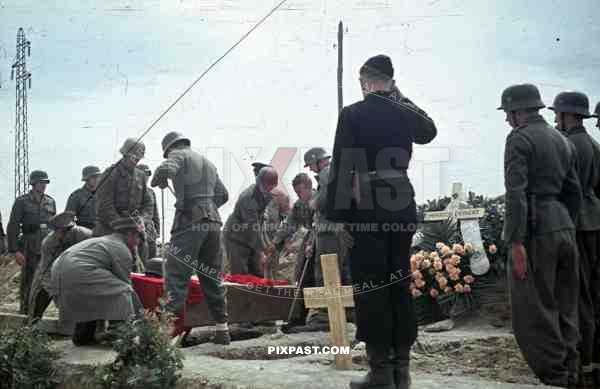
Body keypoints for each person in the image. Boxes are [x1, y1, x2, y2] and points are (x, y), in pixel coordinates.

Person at [325, 54, 437, 389]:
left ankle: (380, 373)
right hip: (401, 201)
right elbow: (428, 131)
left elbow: (343, 164)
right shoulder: (403, 109)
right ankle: (401, 373)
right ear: (391, 80)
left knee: (371, 287)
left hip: (368, 207)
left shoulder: (353, 113)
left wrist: (339, 218)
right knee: (398, 283)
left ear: (363, 81)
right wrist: (399, 96)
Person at [499, 84, 581, 388]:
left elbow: (516, 194)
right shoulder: (562, 139)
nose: (507, 121)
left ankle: (556, 378)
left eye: (508, 114)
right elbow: (573, 192)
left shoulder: (518, 139)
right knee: (566, 306)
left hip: (535, 232)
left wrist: (516, 242)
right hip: (563, 227)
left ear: (518, 112)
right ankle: (571, 373)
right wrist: (563, 225)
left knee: (534, 311)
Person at [151, 131, 230, 344]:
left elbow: (166, 168)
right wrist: (207, 207)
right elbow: (223, 195)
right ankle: (222, 330)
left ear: (169, 148)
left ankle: (164, 336)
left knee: (177, 276)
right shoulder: (208, 163)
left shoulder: (178, 155)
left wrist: (157, 178)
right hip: (213, 223)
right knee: (212, 277)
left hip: (189, 223)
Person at [549, 91, 600, 388]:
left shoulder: (568, 145)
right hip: (595, 221)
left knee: (577, 297)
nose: (555, 119)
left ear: (568, 115)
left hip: (576, 224)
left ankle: (582, 365)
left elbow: (566, 188)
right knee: (593, 296)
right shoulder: (593, 144)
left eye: (558, 114)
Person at [49, 216, 144, 346]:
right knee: (122, 292)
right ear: (130, 234)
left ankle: (83, 336)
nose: (138, 242)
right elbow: (127, 286)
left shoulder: (105, 241)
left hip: (59, 272)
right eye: (139, 237)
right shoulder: (120, 248)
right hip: (77, 271)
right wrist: (144, 318)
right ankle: (119, 334)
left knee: (94, 296)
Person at [301, 146, 354, 331]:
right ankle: (347, 313)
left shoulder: (326, 173)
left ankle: (324, 316)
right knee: (341, 271)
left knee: (325, 270)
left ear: (317, 160)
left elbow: (325, 200)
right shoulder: (335, 171)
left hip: (329, 231)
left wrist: (314, 202)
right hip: (338, 229)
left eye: (310, 165)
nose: (310, 169)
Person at [93, 138, 154, 266]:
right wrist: (123, 226)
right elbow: (104, 205)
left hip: (134, 230)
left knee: (141, 263)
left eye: (138, 158)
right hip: (109, 230)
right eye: (134, 157)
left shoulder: (140, 176)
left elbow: (148, 203)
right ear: (125, 154)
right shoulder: (110, 174)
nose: (136, 160)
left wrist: (142, 220)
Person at [7, 170, 57, 314]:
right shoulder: (22, 201)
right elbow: (13, 226)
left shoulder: (50, 201)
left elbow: (54, 225)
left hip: (47, 245)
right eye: (41, 182)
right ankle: (25, 314)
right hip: (29, 245)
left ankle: (38, 313)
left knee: (46, 281)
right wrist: (15, 250)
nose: (43, 185)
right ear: (33, 183)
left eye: (45, 183)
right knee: (29, 281)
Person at [28, 211, 92, 322]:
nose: (64, 233)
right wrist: (56, 293)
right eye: (60, 230)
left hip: (82, 272)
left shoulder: (86, 236)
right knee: (41, 294)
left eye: (68, 229)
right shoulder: (49, 243)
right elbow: (46, 273)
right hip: (54, 273)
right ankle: (33, 324)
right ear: (55, 230)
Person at [224, 167, 279, 277]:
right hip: (236, 238)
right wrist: (261, 252)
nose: (270, 189)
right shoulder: (248, 197)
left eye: (272, 186)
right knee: (240, 274)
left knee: (258, 273)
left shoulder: (267, 195)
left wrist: (265, 247)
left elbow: (260, 223)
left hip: (252, 238)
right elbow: (252, 227)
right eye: (268, 185)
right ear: (260, 182)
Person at [136, 164, 161, 260]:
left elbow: (155, 213)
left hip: (151, 232)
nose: (147, 176)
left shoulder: (151, 192)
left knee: (152, 262)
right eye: (144, 173)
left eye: (148, 174)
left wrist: (157, 231)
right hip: (136, 231)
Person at [65, 165, 101, 229]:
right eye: (93, 177)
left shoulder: (103, 193)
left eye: (98, 177)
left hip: (102, 228)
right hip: (84, 230)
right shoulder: (76, 195)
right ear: (86, 179)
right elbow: (68, 218)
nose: (96, 179)